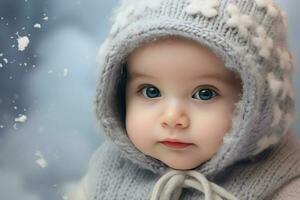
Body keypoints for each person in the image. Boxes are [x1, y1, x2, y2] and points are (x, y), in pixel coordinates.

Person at [68, 0, 300, 199]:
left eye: (205, 93)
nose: (172, 119)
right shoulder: (106, 174)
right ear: (117, 92)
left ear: (260, 105)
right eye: (150, 91)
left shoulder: (286, 184)